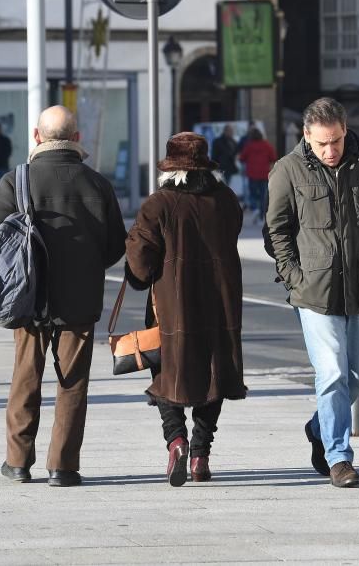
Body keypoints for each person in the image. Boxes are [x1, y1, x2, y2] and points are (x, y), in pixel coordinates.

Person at [0, 105, 126, 487]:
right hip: (80, 300)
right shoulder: (97, 184)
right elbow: (114, 246)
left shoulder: (17, 181)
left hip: (28, 297)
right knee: (73, 383)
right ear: (77, 138)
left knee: (25, 377)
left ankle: (17, 461)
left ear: (36, 136)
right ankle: (62, 466)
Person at [265, 97, 359, 488]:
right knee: (332, 373)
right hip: (315, 293)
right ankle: (339, 457)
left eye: (336, 141)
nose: (330, 150)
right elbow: (277, 231)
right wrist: (294, 278)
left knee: (356, 375)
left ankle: (319, 427)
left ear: (345, 131)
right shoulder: (287, 171)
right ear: (306, 135)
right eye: (322, 143)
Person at [125, 132, 245, 487]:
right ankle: (200, 454)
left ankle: (175, 440)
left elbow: (141, 263)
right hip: (220, 303)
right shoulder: (225, 200)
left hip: (171, 305)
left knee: (165, 373)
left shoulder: (158, 204)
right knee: (214, 375)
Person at [239, 127, 277, 222]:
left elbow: (242, 158)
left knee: (252, 194)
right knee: (263, 195)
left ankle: (255, 208)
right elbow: (273, 157)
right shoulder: (267, 145)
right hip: (264, 173)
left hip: (252, 173)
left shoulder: (249, 146)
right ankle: (262, 215)